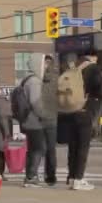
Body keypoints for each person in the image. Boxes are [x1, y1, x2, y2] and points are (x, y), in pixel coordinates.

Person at [65, 49, 102, 191]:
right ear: (93, 57)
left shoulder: (74, 67)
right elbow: (98, 87)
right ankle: (79, 179)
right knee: (83, 146)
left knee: (73, 146)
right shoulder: (93, 69)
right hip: (86, 109)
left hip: (71, 109)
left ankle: (72, 177)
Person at [21, 54, 48, 188]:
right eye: (44, 64)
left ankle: (29, 175)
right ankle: (31, 176)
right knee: (38, 148)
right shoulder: (35, 81)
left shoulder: (26, 79)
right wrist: (44, 115)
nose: (45, 66)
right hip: (34, 120)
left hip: (27, 120)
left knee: (32, 149)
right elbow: (35, 102)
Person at [41, 55, 59, 186]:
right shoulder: (58, 77)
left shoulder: (37, 78)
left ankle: (34, 175)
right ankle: (51, 176)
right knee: (51, 149)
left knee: (38, 149)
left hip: (40, 118)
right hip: (52, 117)